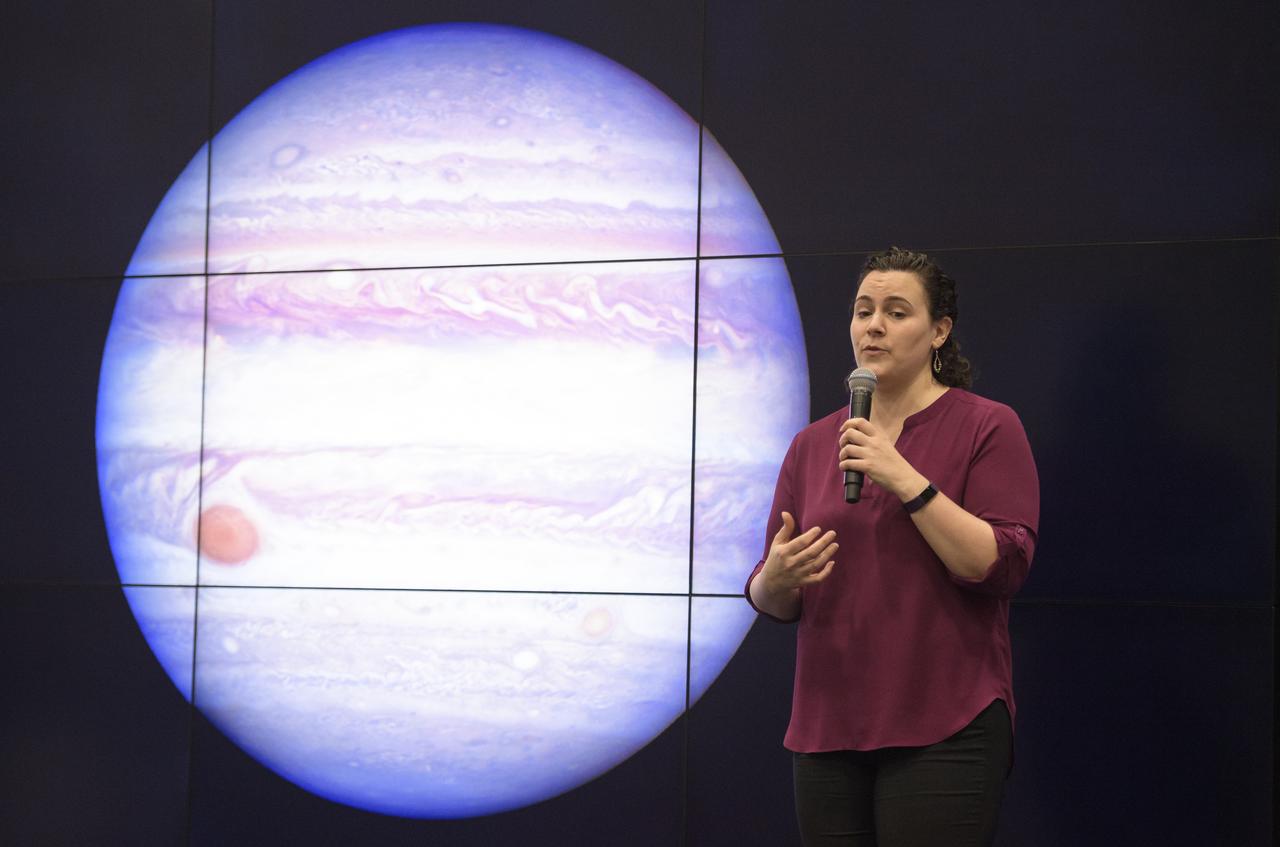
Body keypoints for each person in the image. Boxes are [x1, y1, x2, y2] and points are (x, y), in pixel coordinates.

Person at [745, 247, 1039, 847]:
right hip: (828, 727)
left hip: (945, 722)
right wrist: (773, 580)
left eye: (896, 312)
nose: (873, 325)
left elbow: (999, 565)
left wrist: (901, 474)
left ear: (939, 331)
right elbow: (774, 594)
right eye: (863, 311)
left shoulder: (988, 425)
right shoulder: (811, 444)